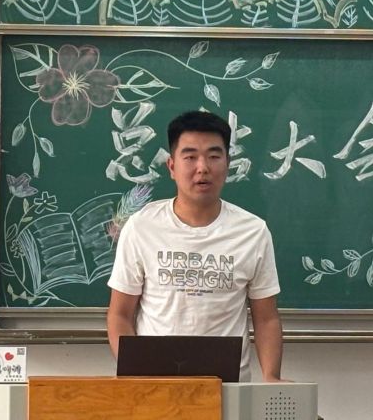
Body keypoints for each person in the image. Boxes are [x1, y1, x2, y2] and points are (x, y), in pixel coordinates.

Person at [106, 110, 284, 382]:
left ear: (228, 163)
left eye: (214, 156)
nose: (203, 168)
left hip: (227, 386)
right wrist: (136, 375)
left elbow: (266, 319)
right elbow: (120, 314)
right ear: (171, 167)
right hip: (155, 384)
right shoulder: (142, 227)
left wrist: (271, 378)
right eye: (190, 157)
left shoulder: (253, 232)